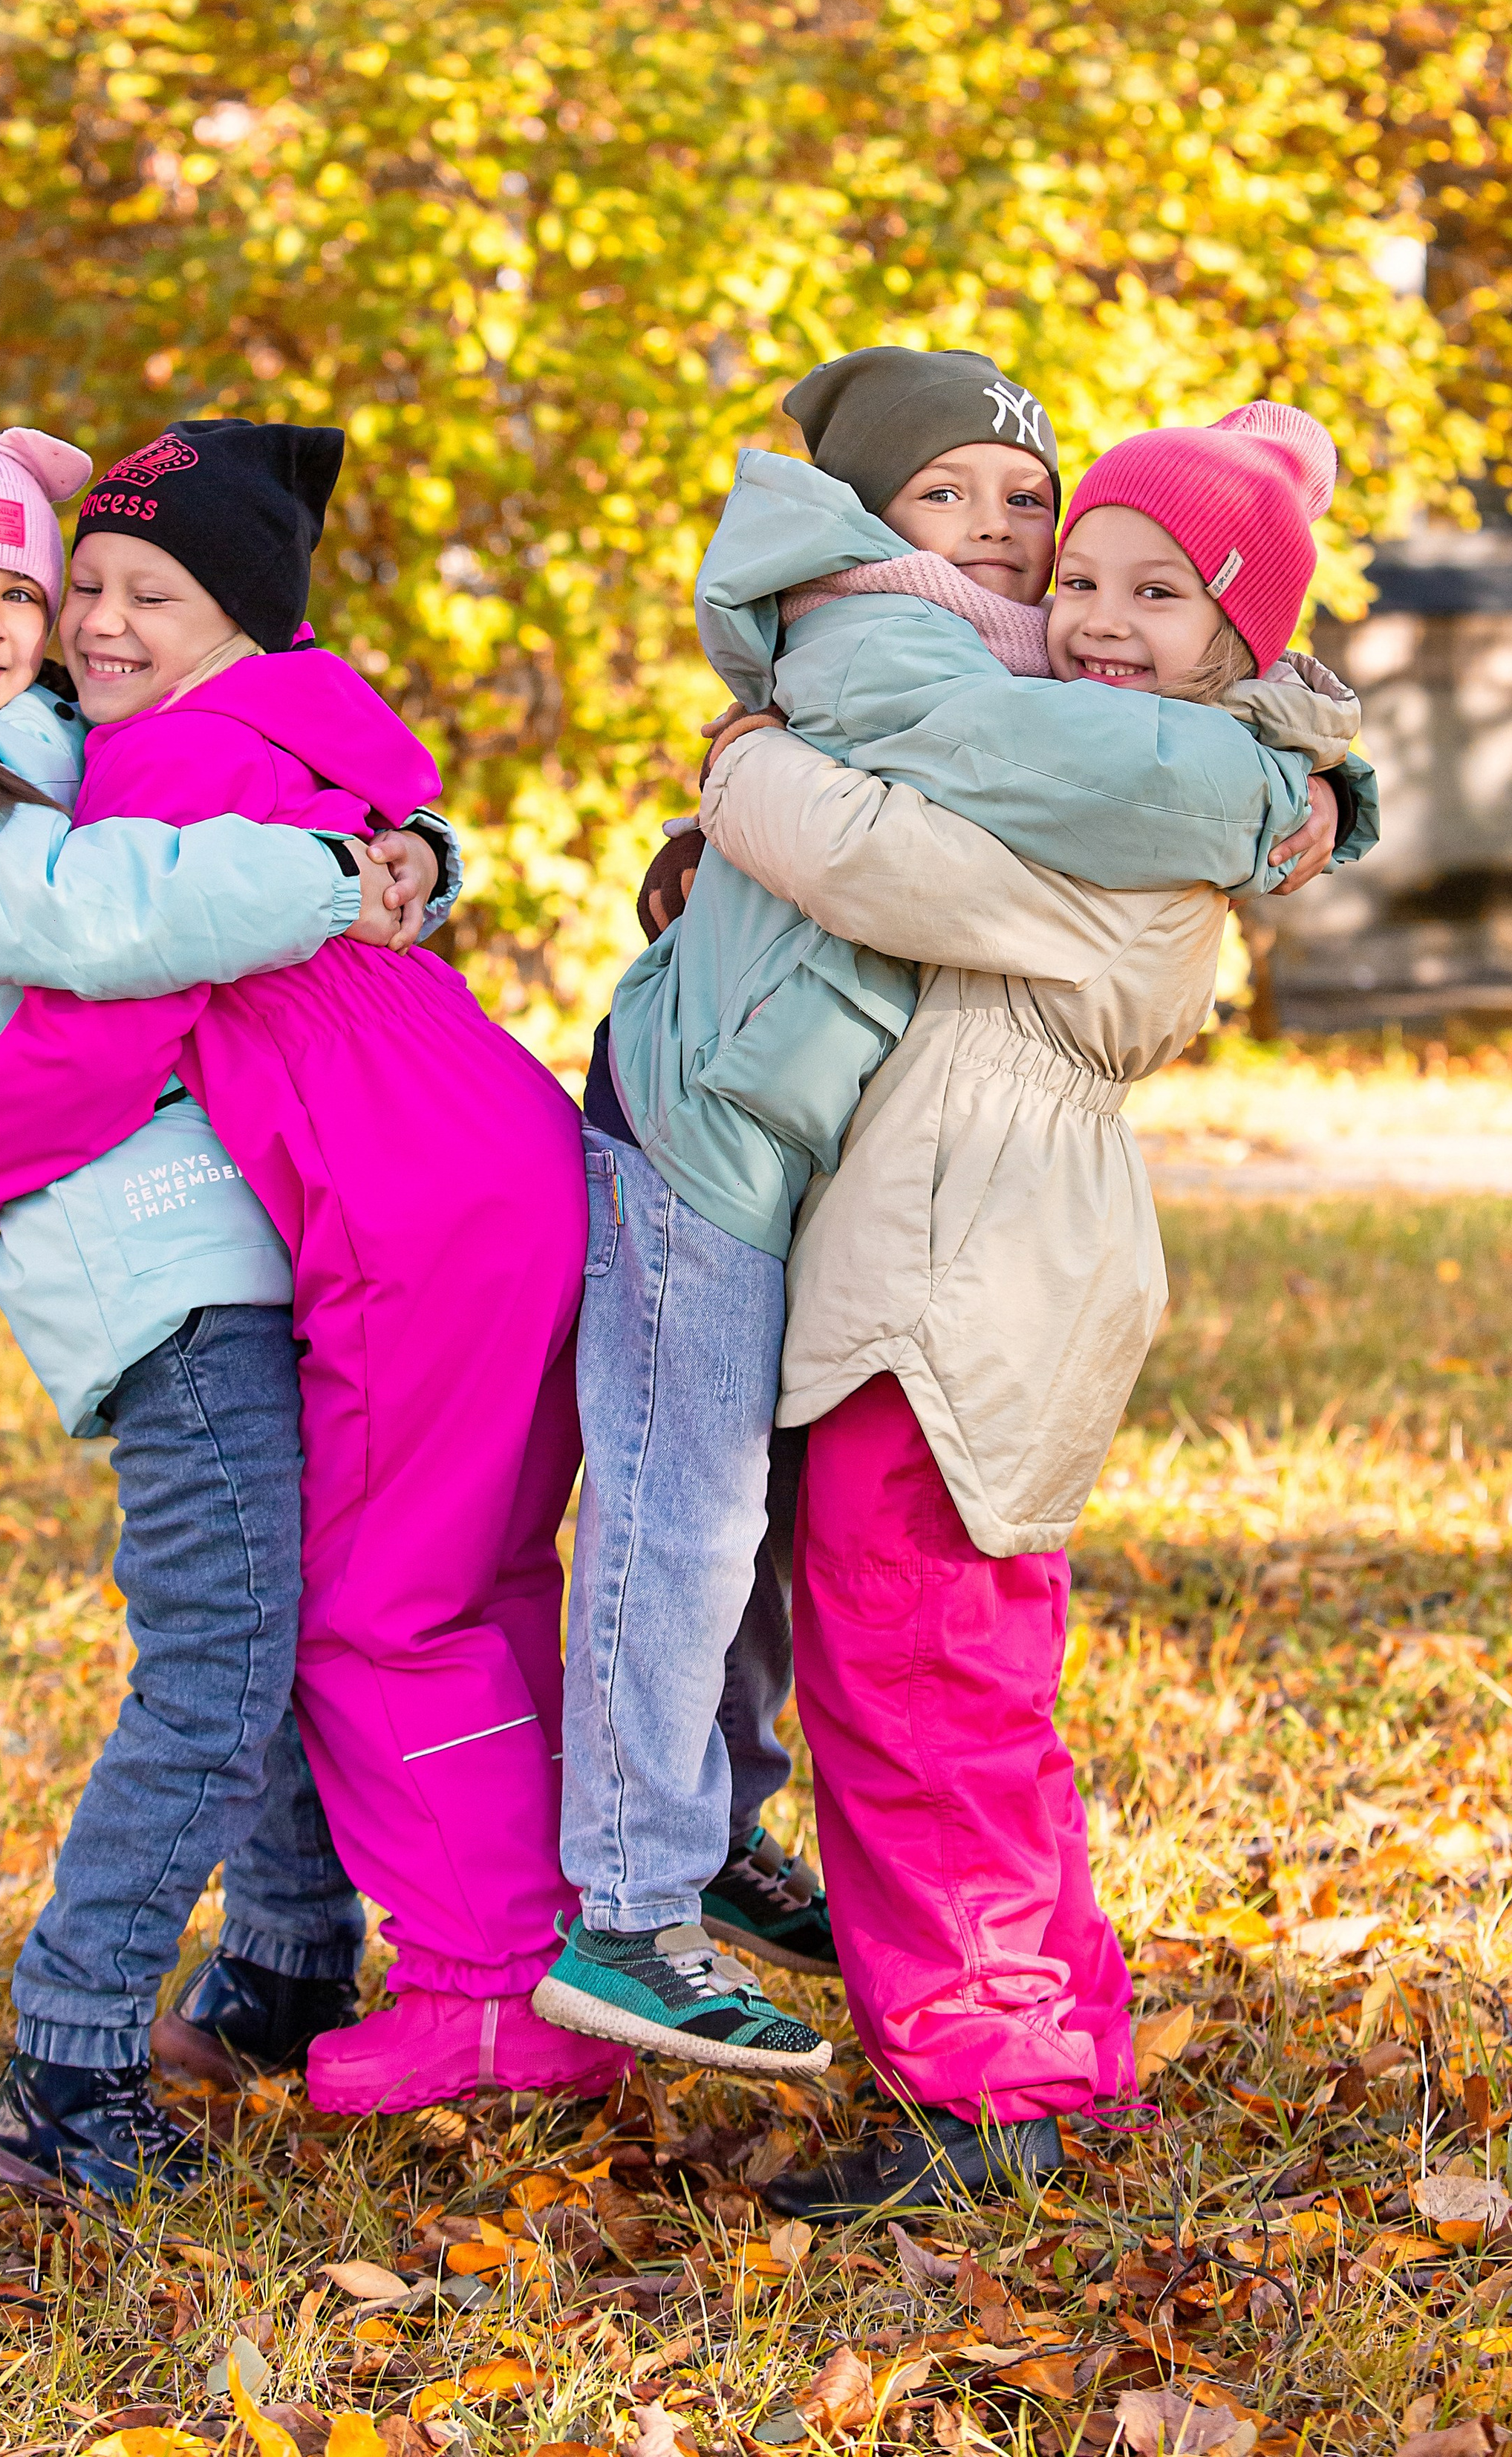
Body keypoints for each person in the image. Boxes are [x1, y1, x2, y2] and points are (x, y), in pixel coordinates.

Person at [535, 351, 1369, 2074]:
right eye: (1080, 578)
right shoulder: (1077, 727)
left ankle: (983, 2079)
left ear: (1239, 642)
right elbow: (963, 758)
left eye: (1149, 590)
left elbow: (882, 858)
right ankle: (1046, 2037)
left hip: (961, 1260)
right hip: (917, 1219)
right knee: (922, 1649)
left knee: (914, 1670)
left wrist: (742, 771)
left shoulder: (1153, 797)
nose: (1080, 610)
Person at [0, 392, 453, 2201]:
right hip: (145, 1256)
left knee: (280, 1618)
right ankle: (72, 2064)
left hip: (225, 1213)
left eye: (13, 587)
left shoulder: (9, 718)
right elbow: (63, 908)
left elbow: (267, 767)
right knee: (215, 1650)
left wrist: (419, 865)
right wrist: (316, 888)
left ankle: (281, 1964)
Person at [0, 419, 630, 2122]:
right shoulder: (305, 739)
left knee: (377, 1608)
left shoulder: (162, 766)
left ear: (235, 612)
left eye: (149, 593)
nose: (98, 622)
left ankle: (482, 1998)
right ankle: (573, 1957)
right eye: (84, 581)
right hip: (516, 1164)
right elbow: (410, 853)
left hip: (404, 1213)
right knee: (489, 1582)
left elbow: (108, 1021)